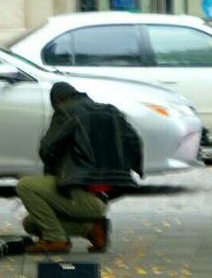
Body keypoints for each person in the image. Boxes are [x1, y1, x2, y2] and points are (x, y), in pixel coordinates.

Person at [16, 81, 144, 254]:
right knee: (31, 223)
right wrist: (135, 170)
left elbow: (48, 149)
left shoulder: (66, 111)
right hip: (103, 198)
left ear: (58, 101)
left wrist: (55, 171)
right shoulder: (111, 111)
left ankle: (56, 239)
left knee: (25, 186)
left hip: (81, 194)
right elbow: (135, 142)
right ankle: (91, 228)